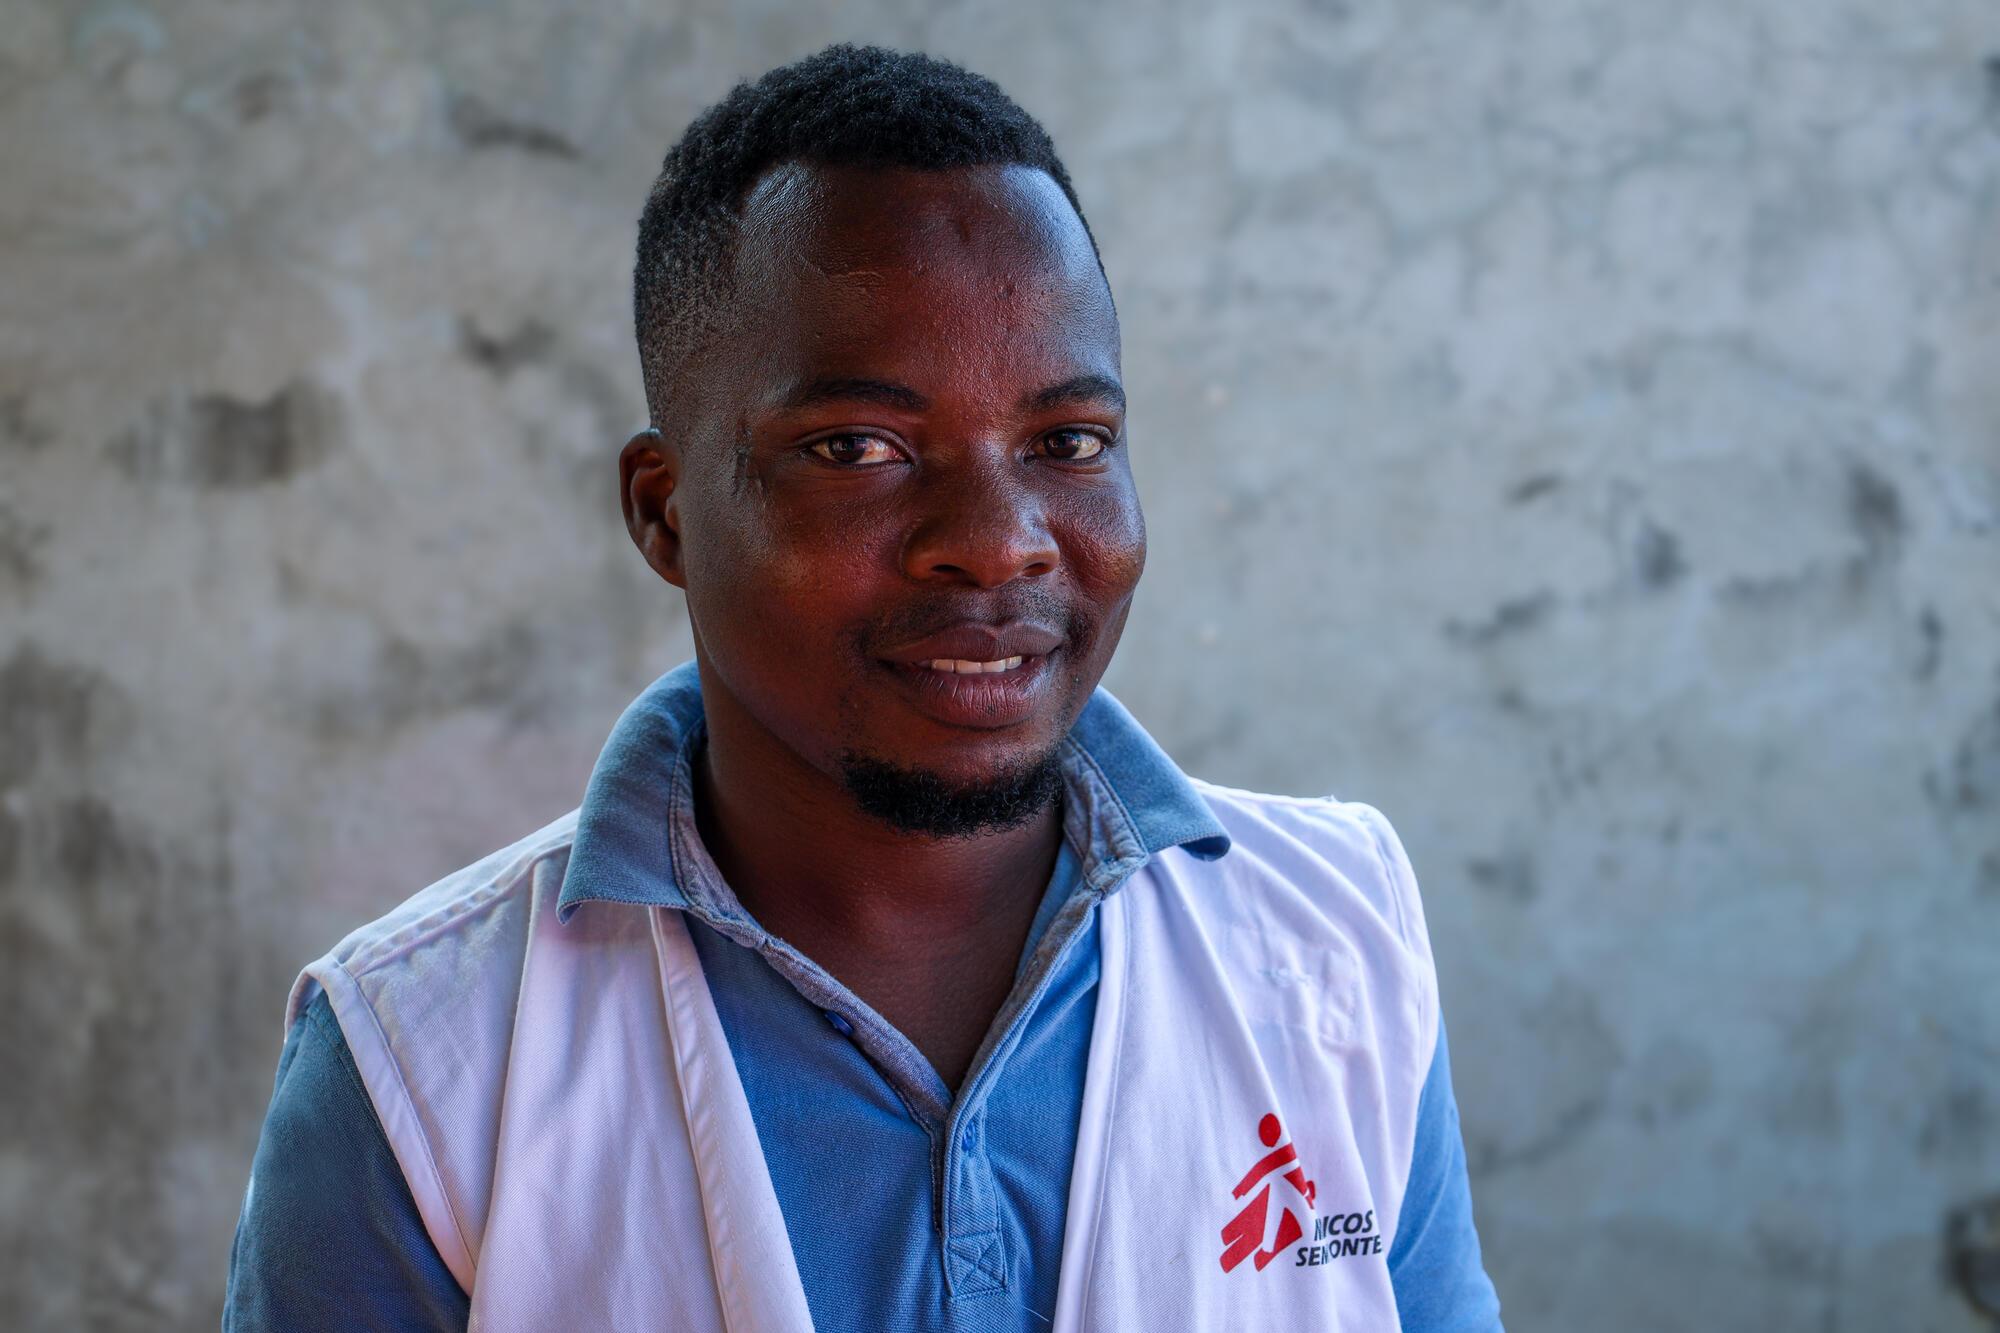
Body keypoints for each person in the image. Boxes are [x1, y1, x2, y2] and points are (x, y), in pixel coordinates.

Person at [223, 43, 1504, 1332]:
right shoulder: (424, 1060)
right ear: (665, 515)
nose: (1000, 539)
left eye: (1068, 442)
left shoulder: (1330, 937)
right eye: (859, 448)